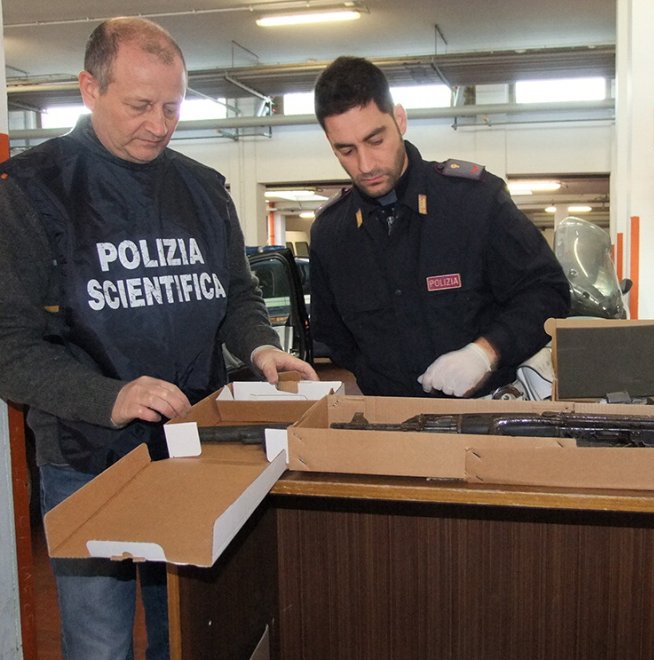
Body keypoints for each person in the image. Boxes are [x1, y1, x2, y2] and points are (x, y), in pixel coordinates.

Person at [0, 17, 317, 660]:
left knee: (186, 629)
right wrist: (111, 396)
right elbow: (10, 344)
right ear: (89, 88)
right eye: (140, 105)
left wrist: (260, 346)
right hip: (86, 456)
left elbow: (236, 295)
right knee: (99, 641)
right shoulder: (31, 191)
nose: (159, 124)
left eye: (173, 107)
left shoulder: (203, 189)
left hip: (193, 447)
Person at [310, 56, 570, 398]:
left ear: (399, 119)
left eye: (375, 140)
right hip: (388, 417)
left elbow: (547, 292)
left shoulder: (474, 202)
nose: (366, 164)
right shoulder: (332, 234)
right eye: (346, 150)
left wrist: (485, 353)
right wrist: (381, 377)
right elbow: (334, 337)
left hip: (486, 411)